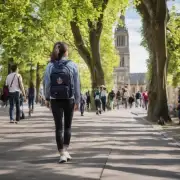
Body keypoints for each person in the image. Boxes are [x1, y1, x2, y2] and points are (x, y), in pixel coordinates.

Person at [44, 42, 80, 163]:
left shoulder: (50, 66)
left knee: (58, 127)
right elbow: (76, 84)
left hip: (55, 99)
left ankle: (62, 153)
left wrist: (47, 98)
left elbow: (47, 83)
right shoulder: (73, 65)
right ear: (66, 52)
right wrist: (77, 100)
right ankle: (65, 150)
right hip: (69, 98)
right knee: (68, 126)